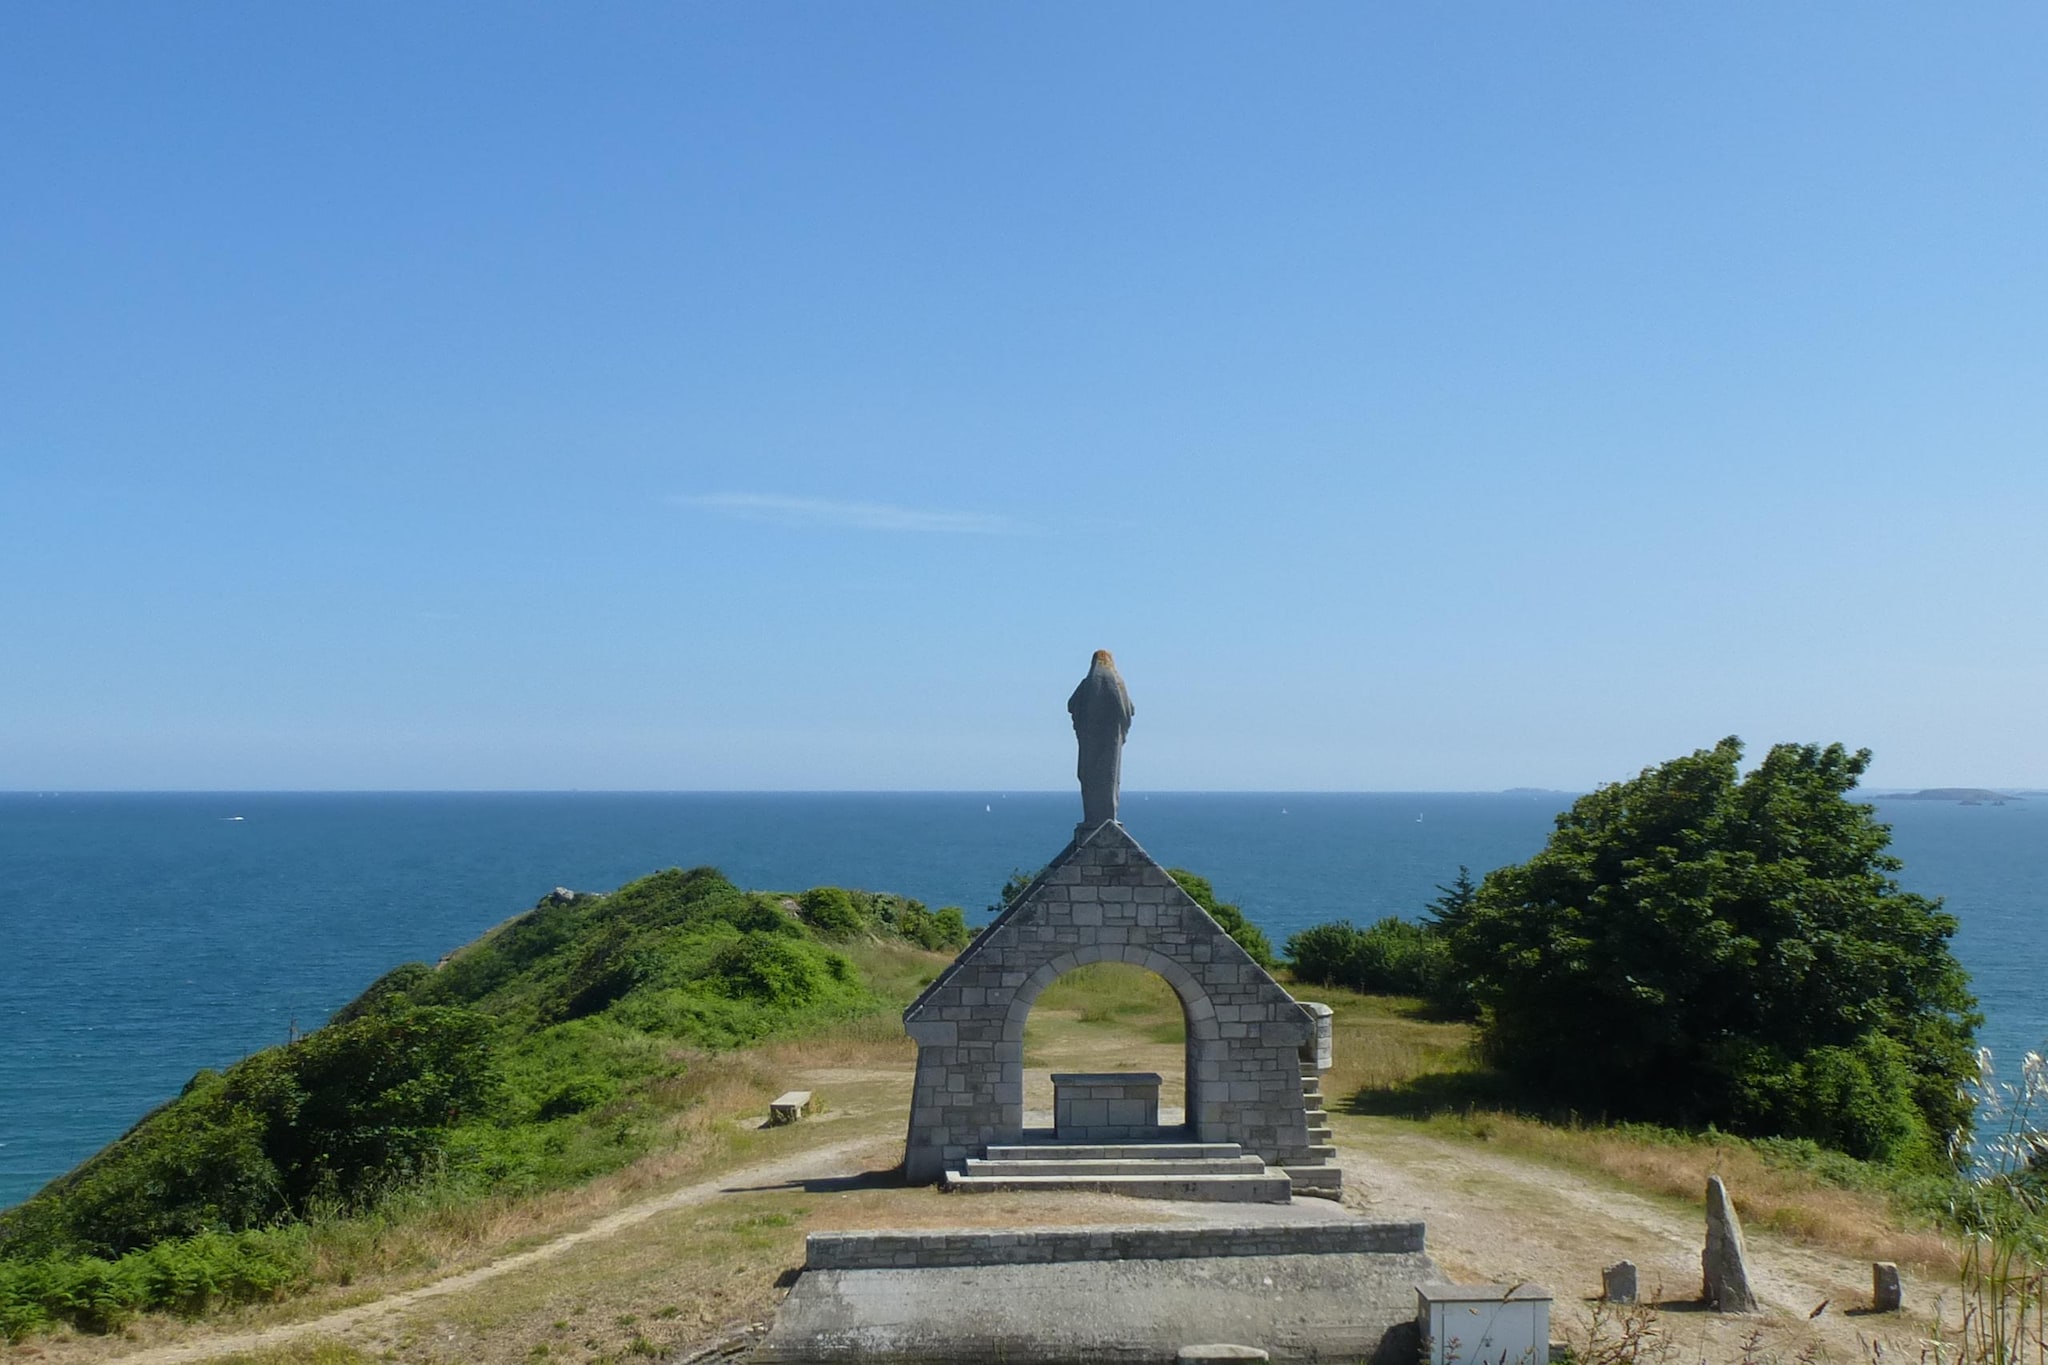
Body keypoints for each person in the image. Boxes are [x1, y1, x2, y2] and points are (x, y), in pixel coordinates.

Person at [1067, 650, 1134, 827]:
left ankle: (1093, 818)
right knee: (1110, 780)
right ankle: (1108, 816)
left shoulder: (1087, 685)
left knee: (1089, 777)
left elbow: (1072, 705)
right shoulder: (1119, 684)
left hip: (1089, 744)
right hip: (1112, 745)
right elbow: (1129, 711)